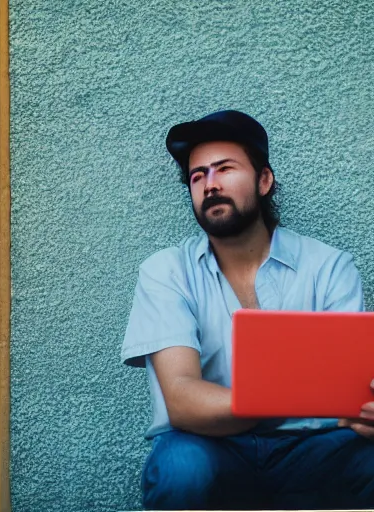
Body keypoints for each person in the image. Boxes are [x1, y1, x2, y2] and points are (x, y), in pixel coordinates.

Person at [121, 110, 374, 510]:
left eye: (224, 169)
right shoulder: (165, 271)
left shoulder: (329, 266)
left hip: (314, 448)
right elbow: (183, 400)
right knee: (181, 465)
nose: (210, 184)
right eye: (197, 176)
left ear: (264, 180)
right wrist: (304, 394)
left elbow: (351, 392)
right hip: (211, 448)